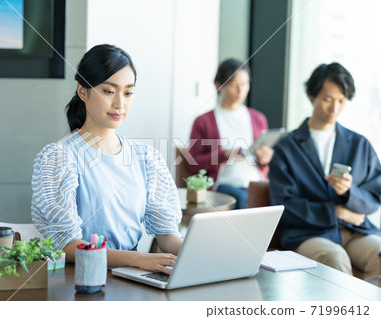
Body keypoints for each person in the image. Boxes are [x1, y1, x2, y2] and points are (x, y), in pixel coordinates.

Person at [31, 44, 183, 275]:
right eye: (108, 91)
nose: (120, 104)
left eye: (128, 93)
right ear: (83, 91)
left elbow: (167, 234)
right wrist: (137, 259)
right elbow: (67, 244)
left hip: (132, 276)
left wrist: (198, 253)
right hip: (80, 277)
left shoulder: (146, 157)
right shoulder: (59, 157)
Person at [269, 62, 381, 277]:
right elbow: (283, 204)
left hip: (355, 231)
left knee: (379, 254)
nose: (334, 108)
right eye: (328, 99)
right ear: (312, 96)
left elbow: (375, 195)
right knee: (334, 257)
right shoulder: (286, 147)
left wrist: (349, 193)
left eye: (341, 100)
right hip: (309, 233)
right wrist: (335, 213)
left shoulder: (360, 144)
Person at [188, 58, 273, 209]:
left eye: (245, 84)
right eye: (234, 85)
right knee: (242, 198)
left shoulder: (258, 118)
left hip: (256, 182)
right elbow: (193, 163)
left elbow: (266, 167)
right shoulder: (203, 121)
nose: (241, 91)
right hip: (224, 184)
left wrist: (265, 159)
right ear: (219, 86)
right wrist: (224, 155)